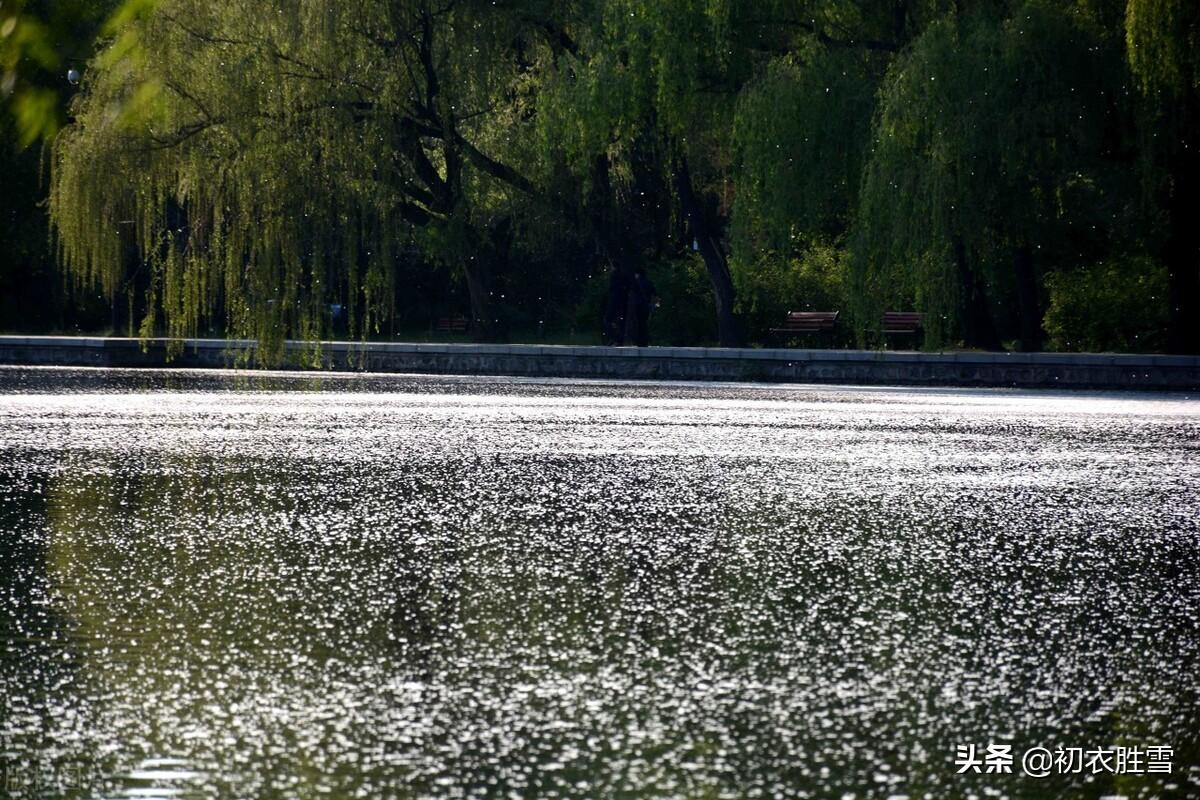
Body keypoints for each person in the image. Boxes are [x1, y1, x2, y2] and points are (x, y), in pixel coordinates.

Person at [629, 267, 657, 347]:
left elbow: (632, 293)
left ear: (638, 274)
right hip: (646, 305)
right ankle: (645, 341)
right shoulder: (649, 282)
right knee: (644, 323)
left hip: (638, 305)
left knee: (639, 323)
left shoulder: (636, 283)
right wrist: (654, 305)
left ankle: (640, 341)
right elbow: (655, 294)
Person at [603, 268, 630, 345]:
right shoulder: (624, 277)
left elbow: (611, 289)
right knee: (621, 321)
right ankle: (620, 339)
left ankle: (613, 337)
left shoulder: (614, 277)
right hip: (623, 303)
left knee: (607, 319)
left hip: (614, 302)